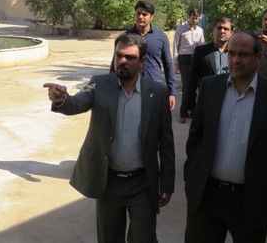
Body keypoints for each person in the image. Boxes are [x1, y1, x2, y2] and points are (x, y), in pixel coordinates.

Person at [45, 32, 175, 243]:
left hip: (142, 184)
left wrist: (167, 183)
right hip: (109, 182)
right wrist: (62, 99)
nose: (122, 61)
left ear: (142, 62)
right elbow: (77, 103)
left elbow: (167, 143)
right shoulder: (100, 84)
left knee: (144, 238)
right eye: (118, 55)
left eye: (129, 57)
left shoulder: (157, 93)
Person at [184, 31, 267, 242]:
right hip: (206, 197)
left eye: (243, 54)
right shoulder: (210, 87)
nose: (235, 60)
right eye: (231, 53)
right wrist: (191, 175)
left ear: (258, 57)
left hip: (251, 201)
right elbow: (195, 138)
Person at [111, 0, 177, 110]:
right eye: (138, 13)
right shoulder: (125, 37)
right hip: (130, 89)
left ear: (152, 17)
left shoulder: (161, 37)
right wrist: (111, 88)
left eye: (144, 14)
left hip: (154, 88)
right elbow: (115, 64)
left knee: (154, 119)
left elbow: (168, 65)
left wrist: (172, 92)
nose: (140, 17)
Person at [184, 16, 233, 117]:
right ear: (213, 30)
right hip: (206, 104)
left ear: (231, 32)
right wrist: (190, 105)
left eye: (226, 29)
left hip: (230, 104)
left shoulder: (235, 53)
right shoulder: (201, 52)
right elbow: (192, 80)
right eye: (219, 28)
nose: (222, 31)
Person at [173, 8, 205, 123]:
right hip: (184, 59)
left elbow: (202, 46)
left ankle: (192, 111)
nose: (194, 20)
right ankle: (183, 112)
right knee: (186, 86)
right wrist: (176, 63)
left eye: (196, 18)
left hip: (196, 59)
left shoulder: (200, 30)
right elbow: (175, 47)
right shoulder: (181, 30)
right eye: (192, 18)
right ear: (188, 17)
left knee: (196, 85)